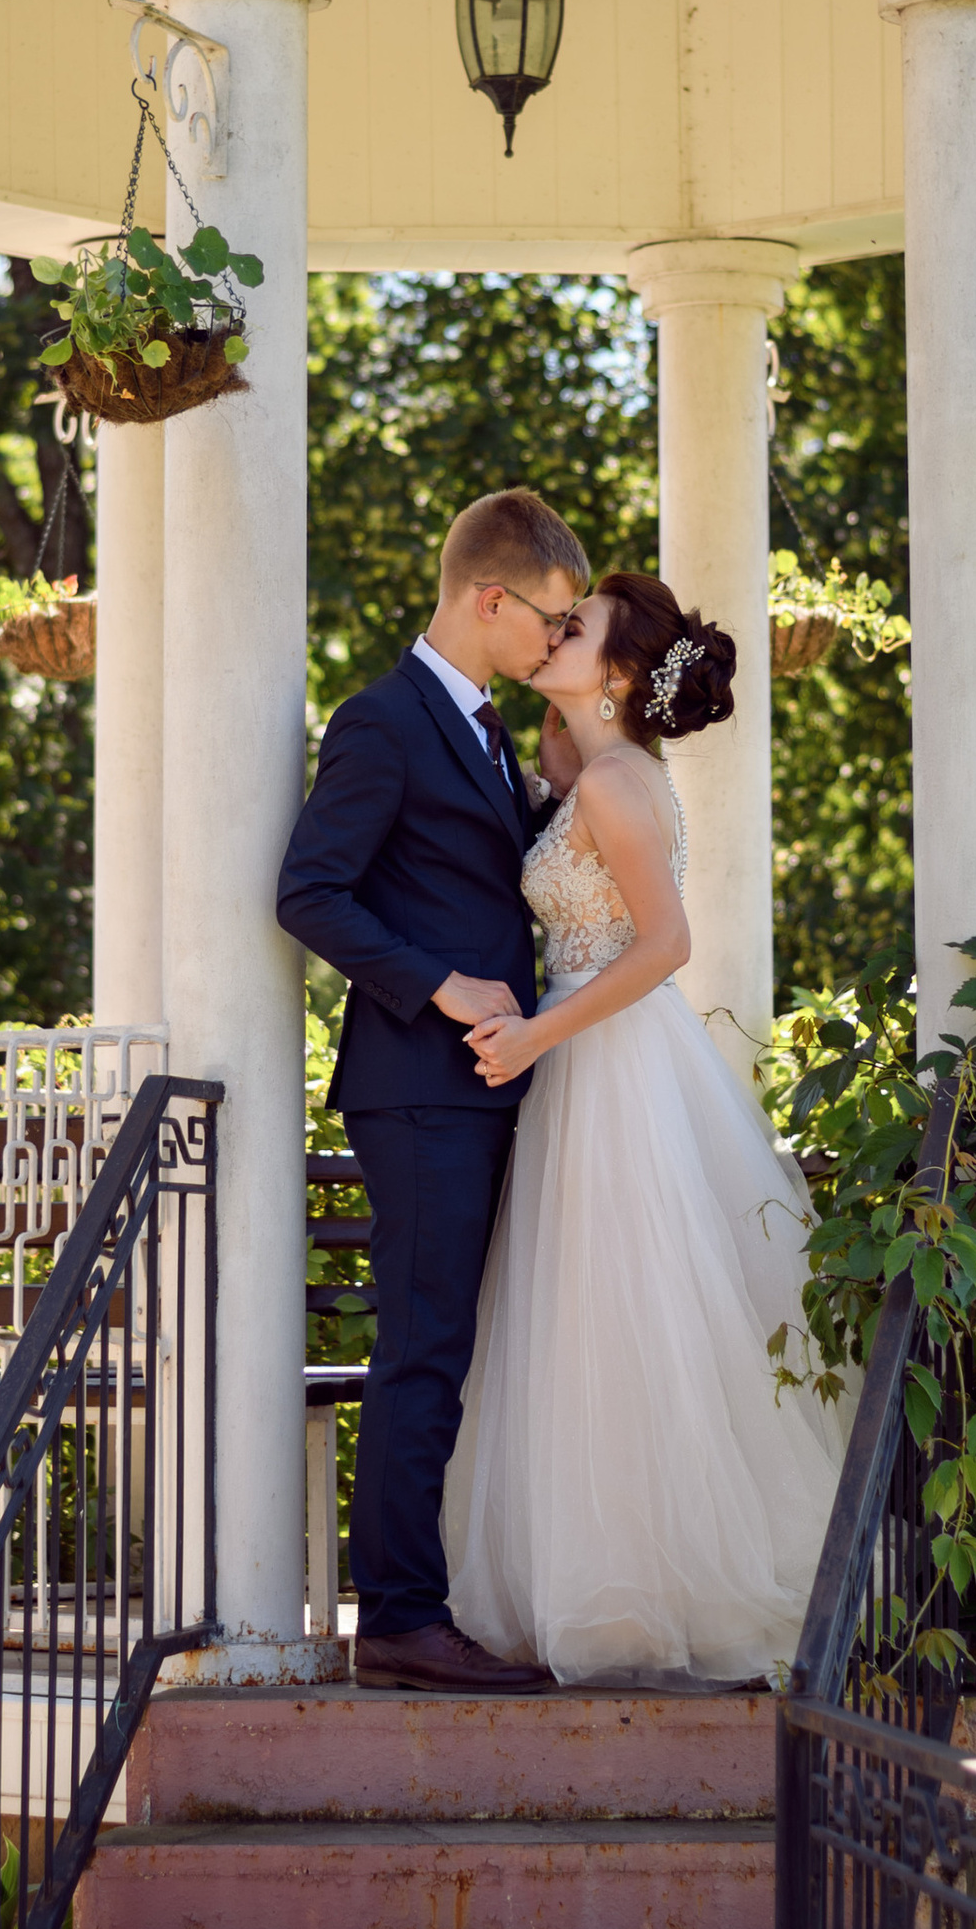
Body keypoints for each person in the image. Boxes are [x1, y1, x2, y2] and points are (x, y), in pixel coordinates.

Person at [442, 570, 849, 1685]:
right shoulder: (587, 766)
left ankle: (663, 1595)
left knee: (630, 1317)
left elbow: (664, 945)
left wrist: (534, 1035)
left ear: (618, 674)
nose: (552, 632)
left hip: (611, 1061)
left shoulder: (622, 784)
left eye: (575, 629)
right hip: (580, 1060)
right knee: (581, 1320)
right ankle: (596, 1581)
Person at [276, 488, 591, 1692]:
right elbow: (309, 892)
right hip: (418, 1087)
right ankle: (401, 1620)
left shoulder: (486, 727)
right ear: (489, 598)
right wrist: (439, 986)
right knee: (425, 1350)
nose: (558, 643)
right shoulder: (382, 721)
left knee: (462, 1347)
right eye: (552, 621)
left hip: (486, 1088)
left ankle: (436, 1597)